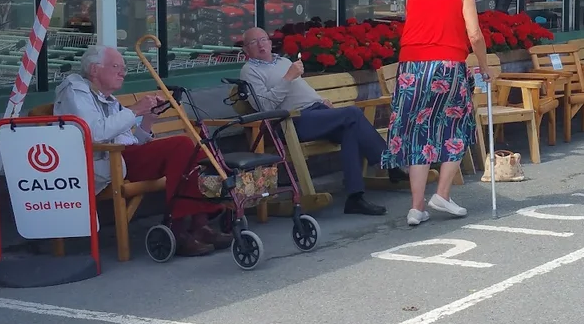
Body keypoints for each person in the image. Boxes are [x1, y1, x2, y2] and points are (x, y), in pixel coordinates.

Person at [54, 46, 225, 257]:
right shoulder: (75, 91)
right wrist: (135, 109)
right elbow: (95, 134)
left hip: (120, 158)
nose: (122, 73)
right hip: (101, 162)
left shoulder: (108, 98)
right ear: (94, 69)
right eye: (116, 66)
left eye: (124, 68)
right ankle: (178, 230)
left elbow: (132, 141)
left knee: (195, 151)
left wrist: (148, 120)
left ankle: (200, 225)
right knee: (181, 146)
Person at [237, 27, 402, 216]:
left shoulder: (282, 61)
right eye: (253, 42)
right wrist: (288, 77)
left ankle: (355, 197)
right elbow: (265, 106)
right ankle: (390, 164)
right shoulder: (250, 72)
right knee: (352, 114)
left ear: (269, 41)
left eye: (263, 39)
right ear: (246, 49)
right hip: (292, 120)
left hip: (316, 112)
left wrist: (321, 100)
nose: (261, 45)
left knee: (350, 130)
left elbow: (302, 88)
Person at [382, 0, 487, 227]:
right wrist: (484, 66)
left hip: (411, 67)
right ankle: (442, 194)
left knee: (418, 130)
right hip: (446, 64)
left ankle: (416, 208)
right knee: (457, 125)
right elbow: (474, 34)